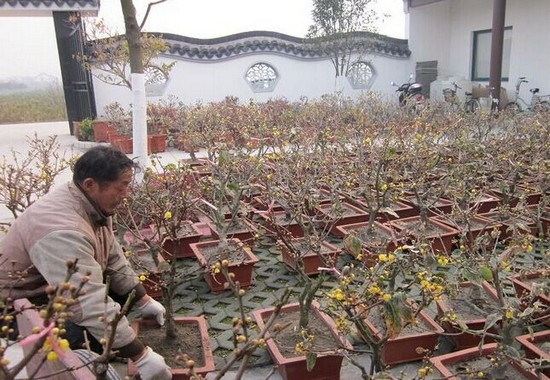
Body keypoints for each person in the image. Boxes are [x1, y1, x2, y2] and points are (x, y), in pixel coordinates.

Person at [0, 146, 171, 380]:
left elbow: (112, 257)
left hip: (53, 290)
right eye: (121, 186)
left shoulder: (91, 204)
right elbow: (86, 302)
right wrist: (141, 356)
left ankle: (109, 346)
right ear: (90, 184)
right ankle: (92, 360)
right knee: (82, 332)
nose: (125, 194)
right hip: (18, 308)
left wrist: (143, 300)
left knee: (122, 296)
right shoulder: (61, 229)